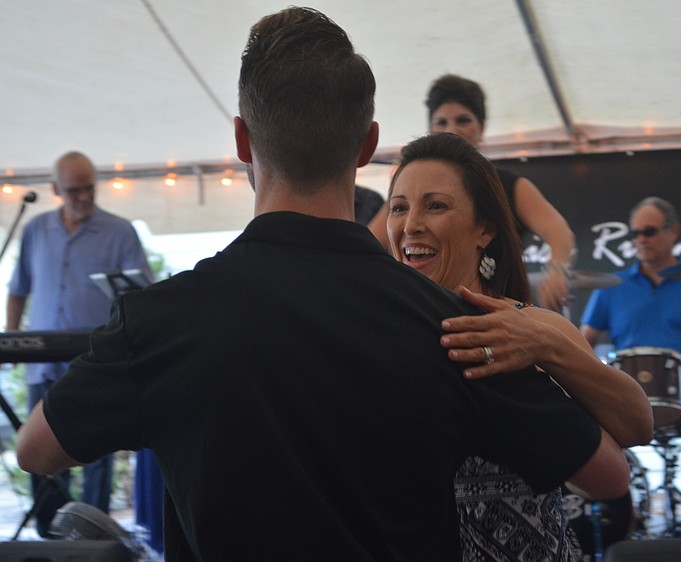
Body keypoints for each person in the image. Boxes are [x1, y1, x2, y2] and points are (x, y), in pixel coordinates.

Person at [16, 8, 629, 561]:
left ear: (241, 142)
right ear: (366, 146)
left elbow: (36, 451)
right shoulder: (455, 327)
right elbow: (605, 476)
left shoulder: (158, 322)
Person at [386, 132, 653, 561]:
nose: (410, 224)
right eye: (399, 207)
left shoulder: (535, 324)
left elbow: (638, 428)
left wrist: (547, 344)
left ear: (485, 229)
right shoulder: (383, 329)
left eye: (435, 205)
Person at [5, 150, 152, 535]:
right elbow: (18, 290)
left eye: (89, 188)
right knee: (39, 451)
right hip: (41, 363)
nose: (84, 197)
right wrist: (12, 341)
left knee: (95, 453)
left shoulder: (119, 231)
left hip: (95, 364)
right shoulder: (36, 230)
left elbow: (144, 294)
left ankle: (95, 534)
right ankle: (48, 533)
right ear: (55, 189)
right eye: (74, 191)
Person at [579, 196, 681, 502]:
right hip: (626, 386)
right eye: (635, 234)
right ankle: (618, 514)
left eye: (649, 231)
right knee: (581, 420)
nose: (640, 239)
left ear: (673, 232)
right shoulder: (612, 286)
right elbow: (580, 343)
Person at [425, 74, 576, 313]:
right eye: (441, 122)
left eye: (463, 120)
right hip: (428, 310)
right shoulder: (413, 185)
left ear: (481, 127)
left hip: (501, 317)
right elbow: (373, 237)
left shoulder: (505, 184)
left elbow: (559, 232)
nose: (451, 130)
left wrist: (557, 273)